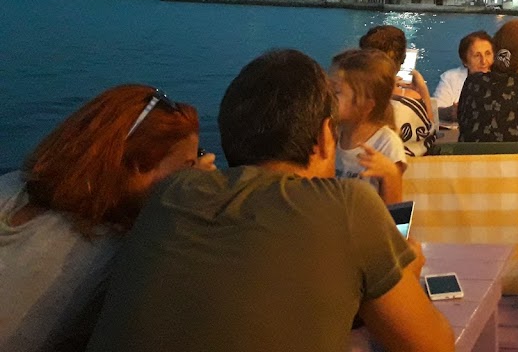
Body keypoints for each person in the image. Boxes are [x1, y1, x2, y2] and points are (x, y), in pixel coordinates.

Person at [86, 49, 454, 352]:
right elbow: (434, 346)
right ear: (324, 138)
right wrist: (408, 272)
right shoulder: (349, 205)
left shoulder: (171, 193)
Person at [1, 85, 210, 352]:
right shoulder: (120, 248)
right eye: (187, 167)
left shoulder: (11, 185)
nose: (190, 177)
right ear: (138, 167)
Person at [330, 48, 405, 205]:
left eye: (336, 92)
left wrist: (390, 174)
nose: (327, 97)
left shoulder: (386, 143)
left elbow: (393, 209)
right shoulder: (332, 134)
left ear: (366, 105)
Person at [359, 25, 436, 156]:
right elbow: (430, 133)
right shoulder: (410, 100)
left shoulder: (351, 98)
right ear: (402, 59)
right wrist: (423, 91)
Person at [434, 30, 493, 123]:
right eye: (477, 55)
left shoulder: (504, 79)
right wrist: (449, 112)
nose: (484, 61)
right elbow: (435, 111)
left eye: (488, 54)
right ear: (465, 61)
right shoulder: (451, 78)